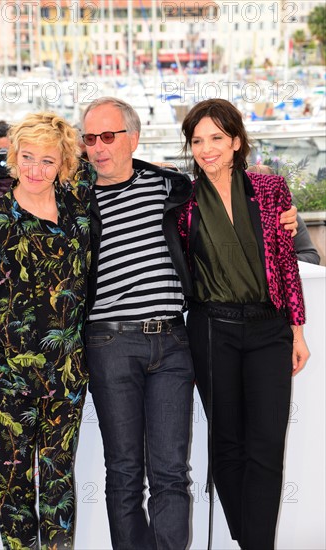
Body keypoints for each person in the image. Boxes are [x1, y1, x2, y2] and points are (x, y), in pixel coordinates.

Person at [80, 96, 298, 550]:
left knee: (205, 465)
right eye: (89, 138)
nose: (97, 147)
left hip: (219, 337)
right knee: (143, 467)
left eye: (107, 136)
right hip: (155, 337)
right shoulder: (96, 200)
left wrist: (292, 230)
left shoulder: (205, 189)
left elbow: (277, 251)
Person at [178, 98, 310, 550]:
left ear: (236, 141)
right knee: (227, 446)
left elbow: (286, 264)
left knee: (267, 447)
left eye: (217, 138)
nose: (207, 149)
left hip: (269, 330)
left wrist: (296, 330)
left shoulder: (272, 190)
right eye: (197, 140)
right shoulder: (181, 200)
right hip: (212, 330)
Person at [0, 112, 90, 548]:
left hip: (66, 374)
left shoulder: (80, 216)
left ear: (64, 164)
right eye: (28, 157)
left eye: (48, 161)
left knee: (58, 487)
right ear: (13, 157)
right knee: (12, 492)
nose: (35, 170)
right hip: (0, 374)